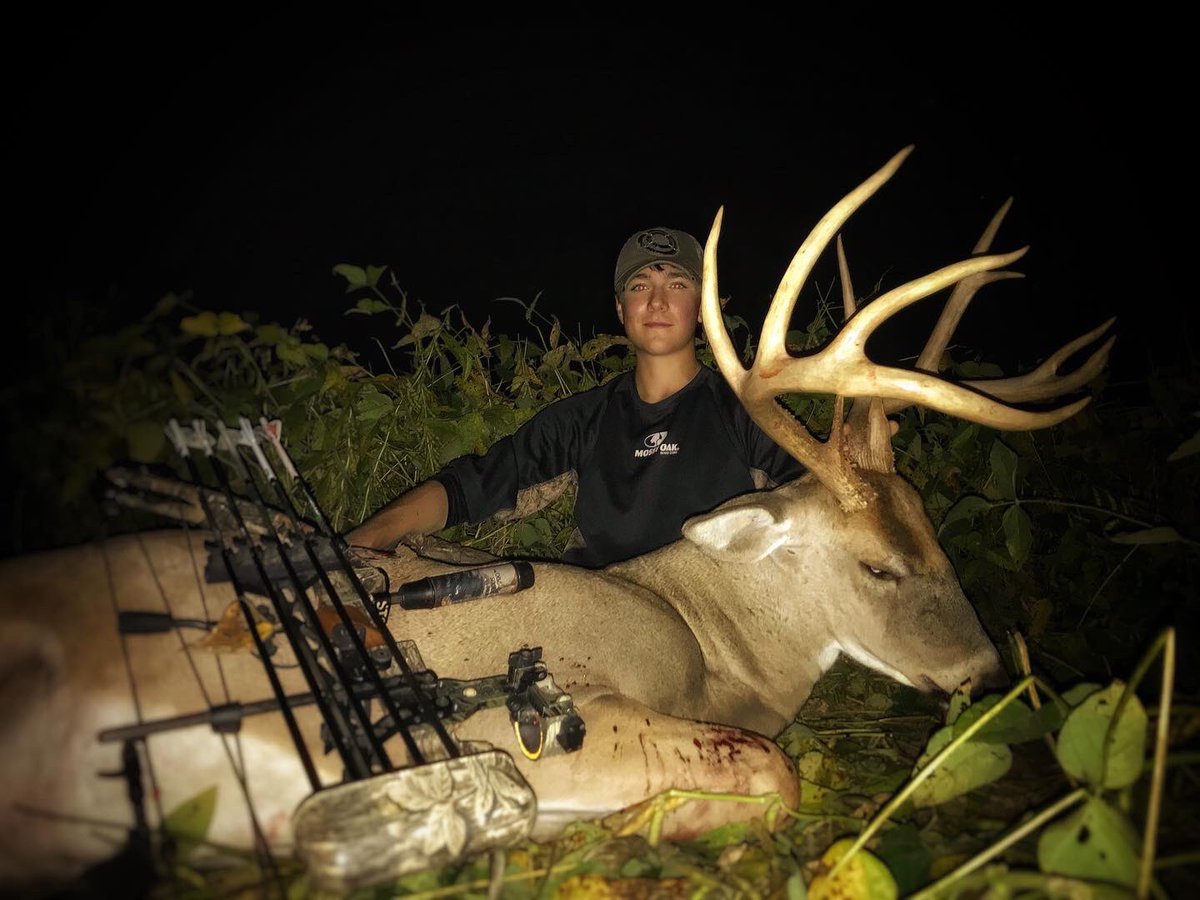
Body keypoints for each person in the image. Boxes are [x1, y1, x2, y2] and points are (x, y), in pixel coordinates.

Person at [346, 227, 804, 567]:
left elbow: (817, 501)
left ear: (702, 309)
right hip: (600, 612)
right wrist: (371, 535)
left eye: (678, 286)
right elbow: (477, 484)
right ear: (621, 309)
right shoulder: (585, 419)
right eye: (640, 286)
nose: (658, 302)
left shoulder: (745, 413)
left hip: (709, 619)